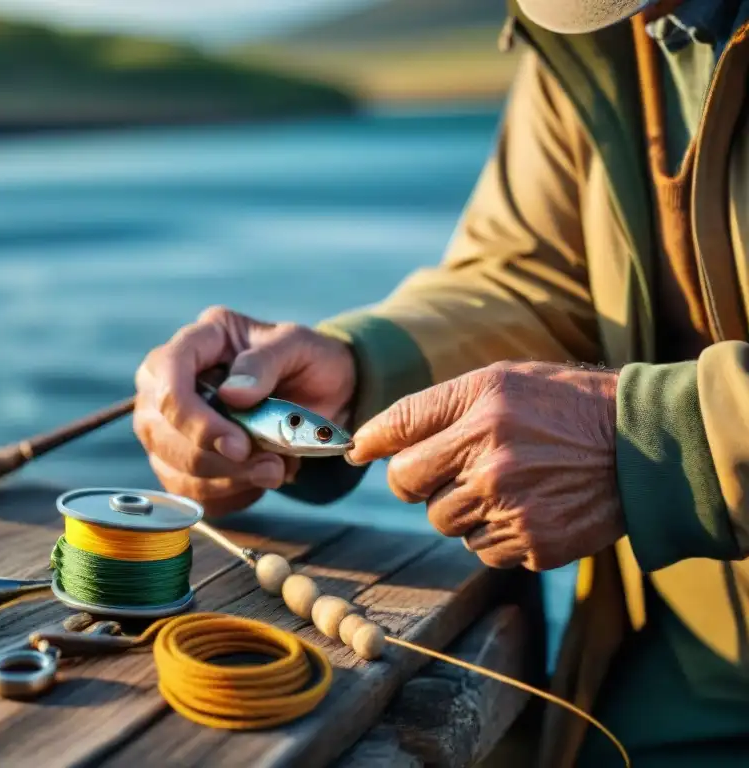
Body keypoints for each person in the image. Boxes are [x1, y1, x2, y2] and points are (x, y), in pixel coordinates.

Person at [132, 0, 749, 765]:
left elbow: (654, 430)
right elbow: (533, 273)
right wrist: (363, 367)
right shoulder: (592, 28)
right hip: (663, 690)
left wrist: (669, 442)